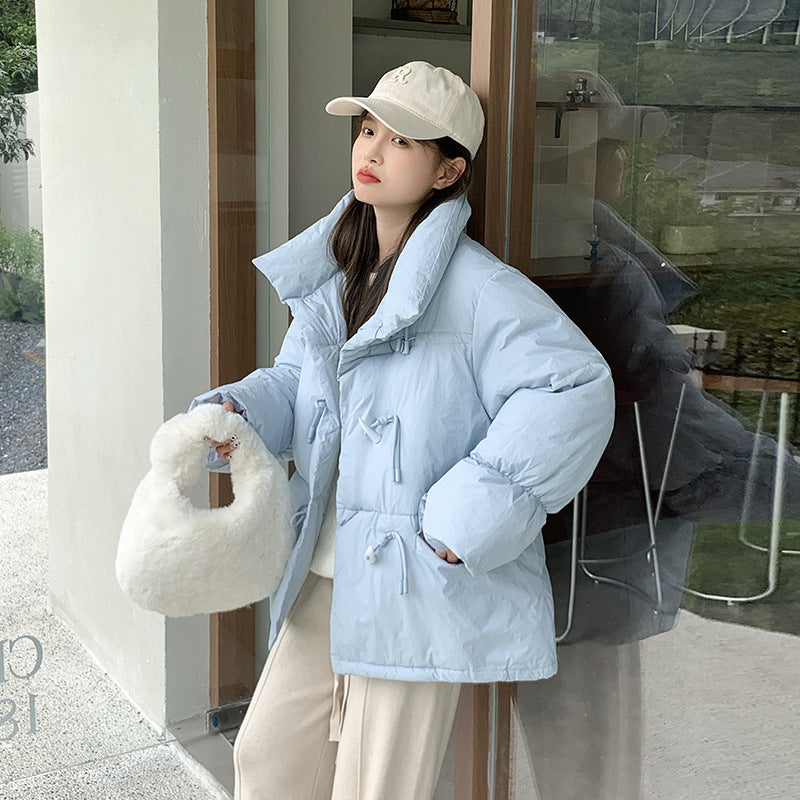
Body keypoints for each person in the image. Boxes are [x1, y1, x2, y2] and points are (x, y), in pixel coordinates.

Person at [189, 61, 615, 800]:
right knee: (266, 760)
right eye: (366, 130)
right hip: (326, 568)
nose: (372, 151)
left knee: (377, 787)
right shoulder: (339, 277)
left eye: (401, 140)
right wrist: (239, 413)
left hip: (415, 577)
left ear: (449, 170)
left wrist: (465, 517)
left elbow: (572, 388)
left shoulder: (482, 288)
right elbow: (297, 386)